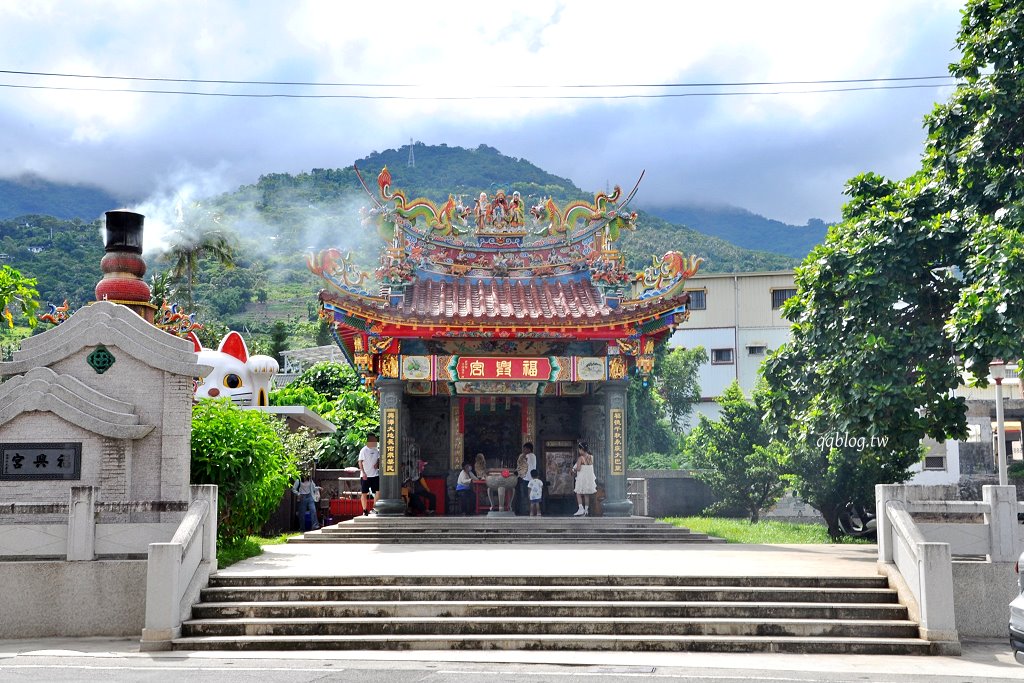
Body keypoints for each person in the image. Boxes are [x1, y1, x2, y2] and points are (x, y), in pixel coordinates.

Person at [573, 440, 597, 516]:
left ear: (582, 449)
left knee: (578, 492)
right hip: (589, 477)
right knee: (587, 494)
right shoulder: (591, 457)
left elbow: (579, 468)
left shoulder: (581, 458)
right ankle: (586, 510)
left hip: (582, 477)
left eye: (579, 449)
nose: (579, 451)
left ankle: (581, 508)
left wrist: (574, 469)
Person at [358, 434, 380, 516]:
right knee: (364, 493)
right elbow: (360, 462)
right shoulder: (364, 450)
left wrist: (377, 464)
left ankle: (374, 508)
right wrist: (363, 473)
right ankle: (364, 510)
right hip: (365, 475)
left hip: (375, 474)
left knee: (378, 491)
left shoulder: (376, 450)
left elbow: (378, 458)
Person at [515, 442, 537, 515]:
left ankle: (532, 511)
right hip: (526, 478)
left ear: (529, 449)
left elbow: (522, 458)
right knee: (528, 496)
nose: (523, 450)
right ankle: (530, 510)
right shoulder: (531, 456)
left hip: (529, 479)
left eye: (524, 449)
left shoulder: (530, 455)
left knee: (530, 495)